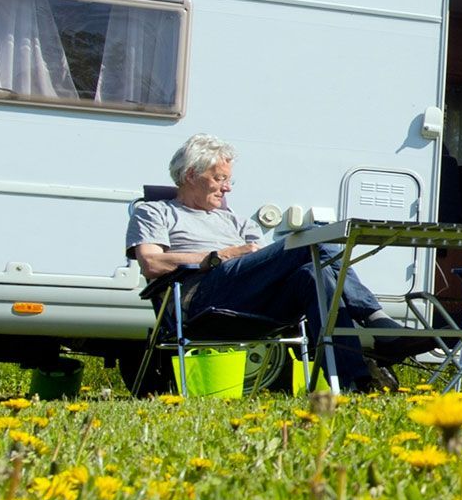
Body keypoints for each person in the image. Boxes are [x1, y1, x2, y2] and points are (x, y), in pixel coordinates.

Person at [127, 133, 428, 388]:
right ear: (191, 174)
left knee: (314, 274)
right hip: (201, 298)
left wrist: (242, 254)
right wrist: (220, 256)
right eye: (220, 179)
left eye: (230, 180)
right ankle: (379, 322)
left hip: (253, 300)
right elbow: (152, 264)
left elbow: (261, 260)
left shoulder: (236, 221)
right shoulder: (156, 211)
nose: (227, 188)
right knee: (314, 237)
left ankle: (353, 384)